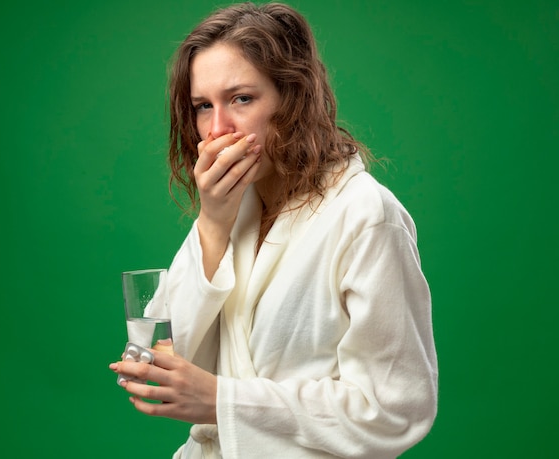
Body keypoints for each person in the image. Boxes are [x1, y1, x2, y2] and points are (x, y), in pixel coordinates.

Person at [109, 2, 438, 458]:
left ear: (293, 96)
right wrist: (212, 222)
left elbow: (393, 410)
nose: (217, 129)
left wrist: (223, 400)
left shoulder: (365, 215)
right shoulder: (231, 207)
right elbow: (176, 357)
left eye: (241, 98)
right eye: (203, 107)